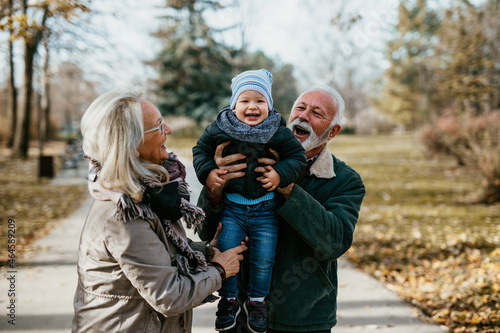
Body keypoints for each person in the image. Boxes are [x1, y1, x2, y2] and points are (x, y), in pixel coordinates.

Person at [72, 87, 247, 333]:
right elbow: (169, 296)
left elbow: (155, 253)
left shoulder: (141, 192)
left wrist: (205, 252)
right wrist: (219, 269)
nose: (169, 130)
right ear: (131, 144)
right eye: (159, 125)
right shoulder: (124, 214)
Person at [197, 85, 366, 333]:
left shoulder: (344, 180)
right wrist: (215, 187)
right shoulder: (240, 157)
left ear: (332, 132)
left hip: (304, 320)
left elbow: (335, 242)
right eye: (300, 107)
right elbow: (205, 232)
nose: (304, 116)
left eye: (317, 113)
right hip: (243, 314)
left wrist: (288, 188)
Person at [192, 69, 307, 332]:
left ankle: (257, 301)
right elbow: (200, 151)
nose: (252, 106)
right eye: (245, 101)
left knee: (264, 258)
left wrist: (280, 173)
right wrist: (209, 172)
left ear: (269, 105)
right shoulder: (221, 127)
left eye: (260, 101)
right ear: (234, 105)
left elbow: (296, 158)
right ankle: (229, 300)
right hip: (232, 207)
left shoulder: (277, 130)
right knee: (228, 253)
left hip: (266, 209)